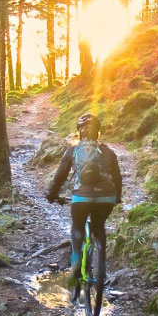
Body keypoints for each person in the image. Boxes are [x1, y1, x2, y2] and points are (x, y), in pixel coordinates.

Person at [46, 113, 122, 287]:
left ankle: (75, 269)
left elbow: (60, 176)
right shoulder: (109, 151)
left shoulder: (73, 151)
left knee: (77, 228)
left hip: (81, 198)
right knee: (99, 227)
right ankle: (101, 266)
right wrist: (117, 196)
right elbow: (117, 177)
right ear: (98, 132)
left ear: (79, 132)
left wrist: (52, 194)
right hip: (106, 197)